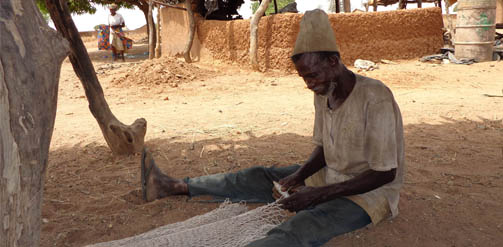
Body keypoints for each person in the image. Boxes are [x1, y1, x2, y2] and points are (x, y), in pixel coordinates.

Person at [140, 9, 404, 247]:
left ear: (333, 62)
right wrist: (300, 176)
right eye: (304, 78)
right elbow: (324, 147)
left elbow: (385, 174)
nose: (309, 84)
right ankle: (174, 186)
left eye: (312, 75)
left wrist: (318, 195)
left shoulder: (375, 97)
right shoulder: (324, 92)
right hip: (330, 176)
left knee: (300, 227)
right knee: (260, 175)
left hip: (368, 195)